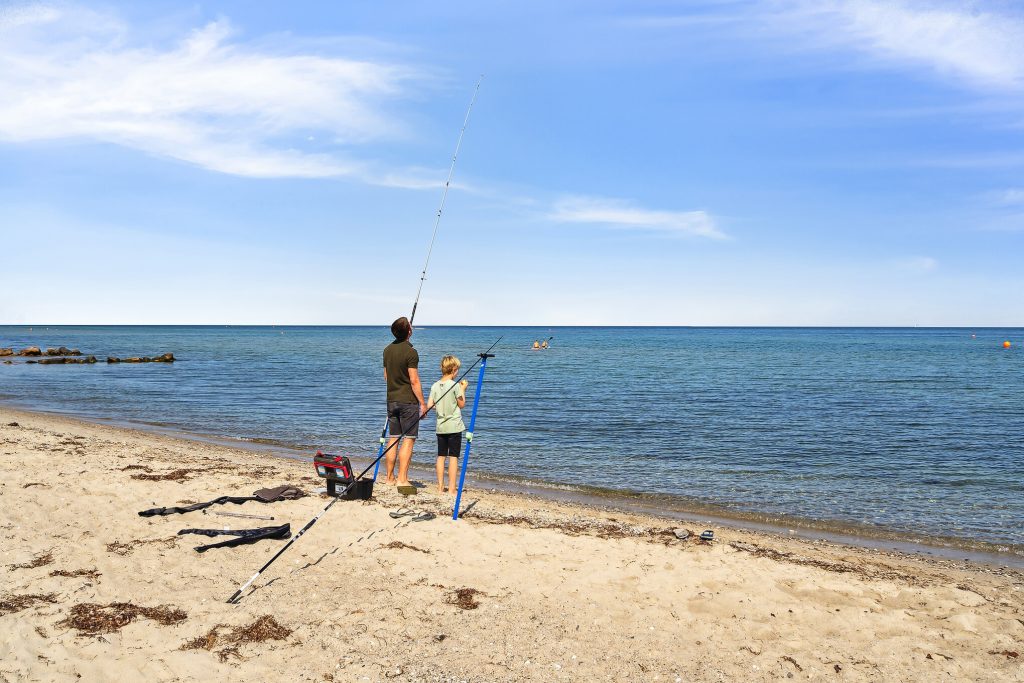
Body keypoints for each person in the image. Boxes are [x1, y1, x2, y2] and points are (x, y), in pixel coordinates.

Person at [382, 317, 425, 487]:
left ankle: (389, 478)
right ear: (409, 331)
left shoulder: (387, 350)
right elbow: (414, 381)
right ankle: (402, 479)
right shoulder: (411, 352)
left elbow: (386, 376)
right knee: (409, 438)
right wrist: (422, 403)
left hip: (391, 400)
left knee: (393, 438)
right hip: (408, 402)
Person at [425, 355, 467, 494]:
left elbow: (430, 405)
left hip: (440, 426)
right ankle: (452, 488)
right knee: (453, 457)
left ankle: (440, 486)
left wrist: (440, 408)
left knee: (441, 456)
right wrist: (463, 389)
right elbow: (461, 405)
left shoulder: (435, 385)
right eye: (457, 370)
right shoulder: (455, 386)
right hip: (454, 426)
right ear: (454, 370)